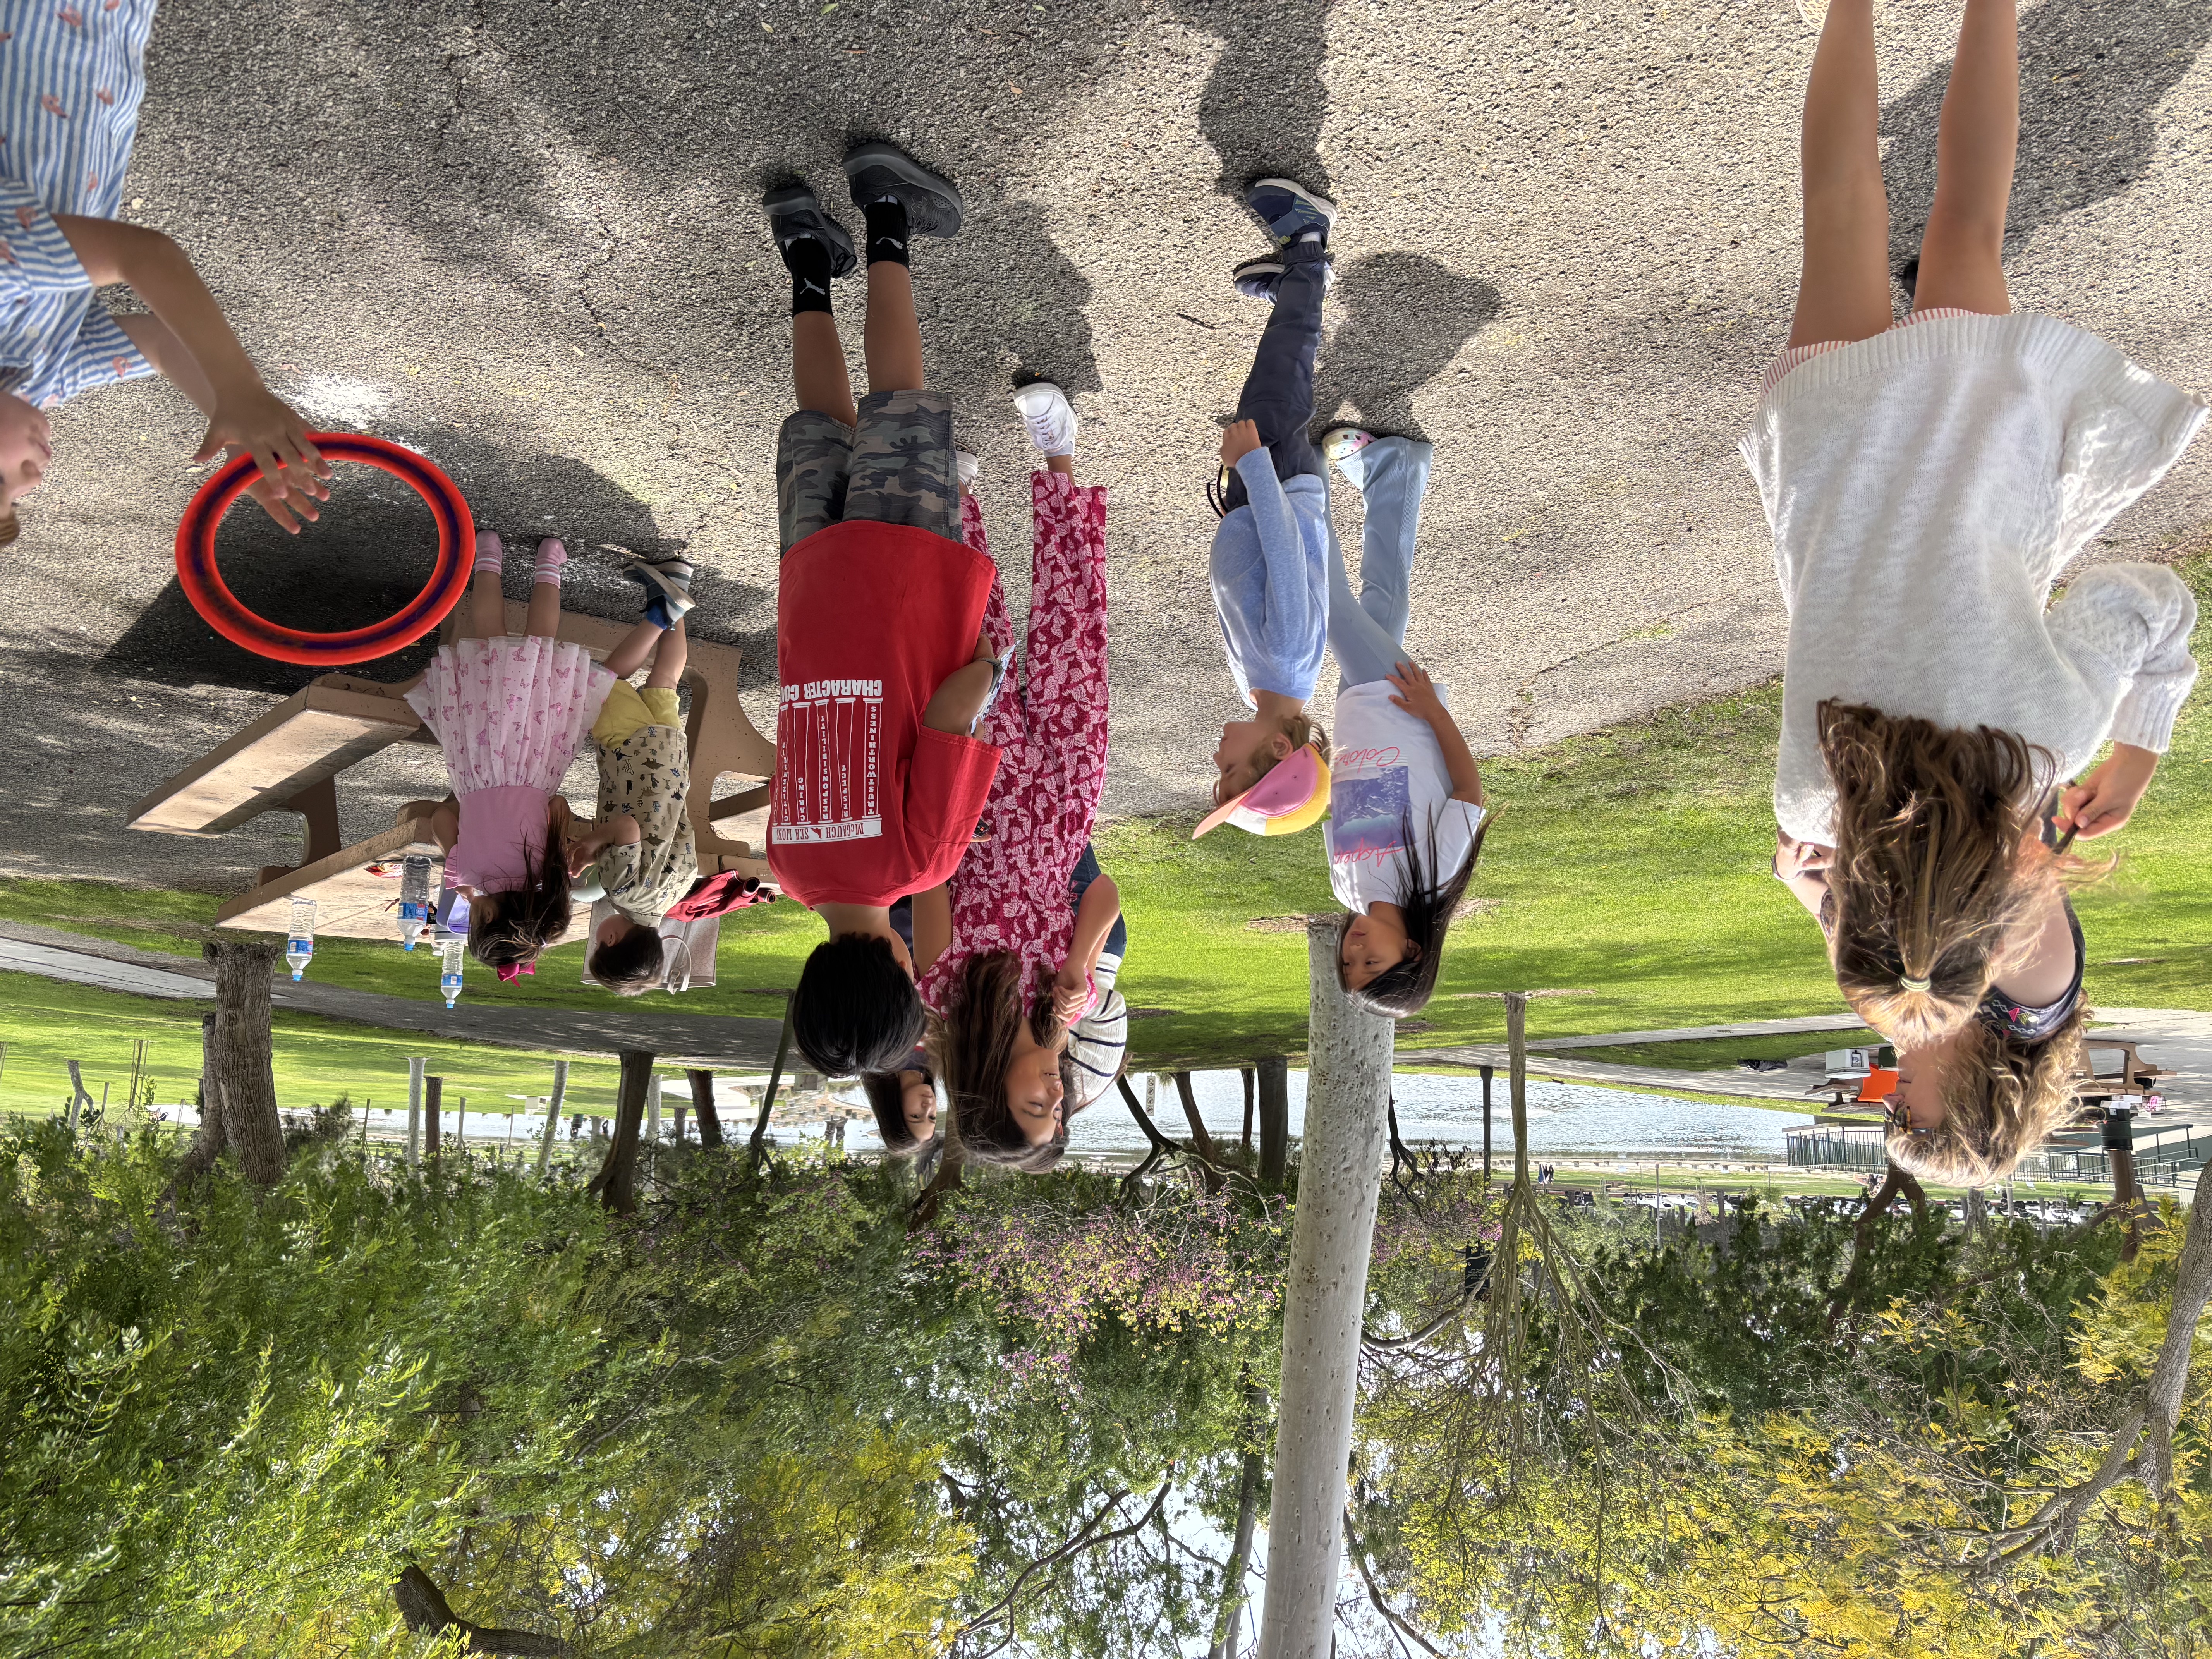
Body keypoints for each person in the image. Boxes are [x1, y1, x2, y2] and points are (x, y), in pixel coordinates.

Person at [1744, 0, 2203, 1068]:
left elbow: (2151, 603)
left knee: (1968, 222)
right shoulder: (1812, 792)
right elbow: (1825, 870)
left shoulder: (2041, 747)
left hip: (1974, 437)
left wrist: (2137, 749)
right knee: (1842, 201)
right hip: (1836, 441)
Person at [761, 143, 1003, 1079]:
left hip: (903, 581)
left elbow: (953, 712)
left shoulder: (922, 865)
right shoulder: (789, 868)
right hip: (812, 588)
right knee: (824, 426)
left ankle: (889, 211)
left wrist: (990, 668)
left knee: (898, 401)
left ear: (905, 969)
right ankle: (807, 259)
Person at [0, 0, 330, 544]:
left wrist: (240, 387)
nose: (35, 480)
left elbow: (146, 256)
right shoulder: (34, 385)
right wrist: (237, 429)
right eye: (19, 497)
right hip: (106, 38)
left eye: (3, 479)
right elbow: (156, 343)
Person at [914, 389, 1111, 1173]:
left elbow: (931, 863)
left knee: (980, 641)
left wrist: (946, 755)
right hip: (1064, 802)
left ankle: (961, 505)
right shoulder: (1064, 1010)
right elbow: (1103, 897)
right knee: (1074, 625)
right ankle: (1057, 450)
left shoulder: (946, 990)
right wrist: (1079, 966)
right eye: (1057, 1111)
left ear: (995, 1092)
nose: (1057, 1096)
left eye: (1038, 1107)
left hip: (986, 793)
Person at [416, 531, 691, 971]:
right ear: (484, 917)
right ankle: (486, 554)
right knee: (489, 640)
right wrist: (460, 853)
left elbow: (559, 804)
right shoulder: (464, 875)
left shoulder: (547, 874)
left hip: (536, 756)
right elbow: (442, 817)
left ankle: (553, 560)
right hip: (477, 756)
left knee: (543, 644)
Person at [1776, 813, 2089, 1186]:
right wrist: (1867, 847)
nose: (1889, 1104)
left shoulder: (1899, 1026)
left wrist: (1791, 868)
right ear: (1969, 1111)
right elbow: (2016, 839)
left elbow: (1827, 911)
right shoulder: (2029, 1002)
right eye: (1908, 1120)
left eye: (1889, 1120)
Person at [1319, 429, 1492, 1018]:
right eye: (1373, 963)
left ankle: (1394, 471)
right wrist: (1434, 712)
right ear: (1413, 950)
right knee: (1329, 607)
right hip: (1399, 703)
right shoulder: (1434, 876)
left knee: (1382, 599)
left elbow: (1337, 799)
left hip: (1353, 712)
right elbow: (1470, 793)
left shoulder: (1346, 889)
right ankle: (1293, 477)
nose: (1356, 951)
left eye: (1349, 963)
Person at [1205, 178, 1338, 825]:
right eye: (1231, 769)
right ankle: (1308, 246)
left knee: (1275, 380)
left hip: (1256, 498)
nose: (1217, 759)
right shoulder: (1284, 657)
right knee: (1283, 375)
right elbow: (1285, 553)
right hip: (1275, 482)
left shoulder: (1263, 688)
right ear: (1279, 745)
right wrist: (1254, 466)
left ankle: (1291, 288)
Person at [576, 604, 698, 995]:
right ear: (610, 941)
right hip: (632, 759)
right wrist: (592, 844)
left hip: (671, 766)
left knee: (665, 682)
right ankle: (664, 610)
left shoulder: (676, 892)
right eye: (598, 944)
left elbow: (657, 840)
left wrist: (603, 852)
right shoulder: (621, 892)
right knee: (600, 682)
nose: (597, 936)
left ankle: (676, 604)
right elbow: (628, 828)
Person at [861, 1044, 939, 1157]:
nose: (928, 1107)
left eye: (916, 1116)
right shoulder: (937, 1062)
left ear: (895, 1110)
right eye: (932, 1117)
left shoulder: (881, 1055)